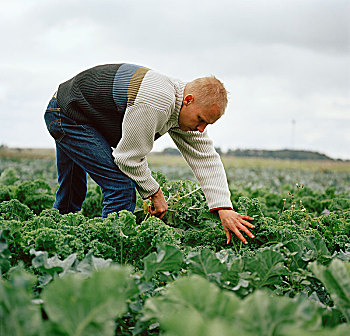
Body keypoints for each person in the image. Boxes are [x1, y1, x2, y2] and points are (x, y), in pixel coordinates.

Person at [44, 63, 255, 244]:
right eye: (201, 120)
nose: (201, 129)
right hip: (68, 114)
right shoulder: (158, 101)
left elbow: (206, 158)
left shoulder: (184, 108)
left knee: (72, 188)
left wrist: (223, 207)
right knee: (120, 186)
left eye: (206, 124)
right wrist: (155, 193)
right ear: (188, 100)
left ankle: (56, 238)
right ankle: (110, 255)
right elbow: (128, 158)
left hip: (80, 111)